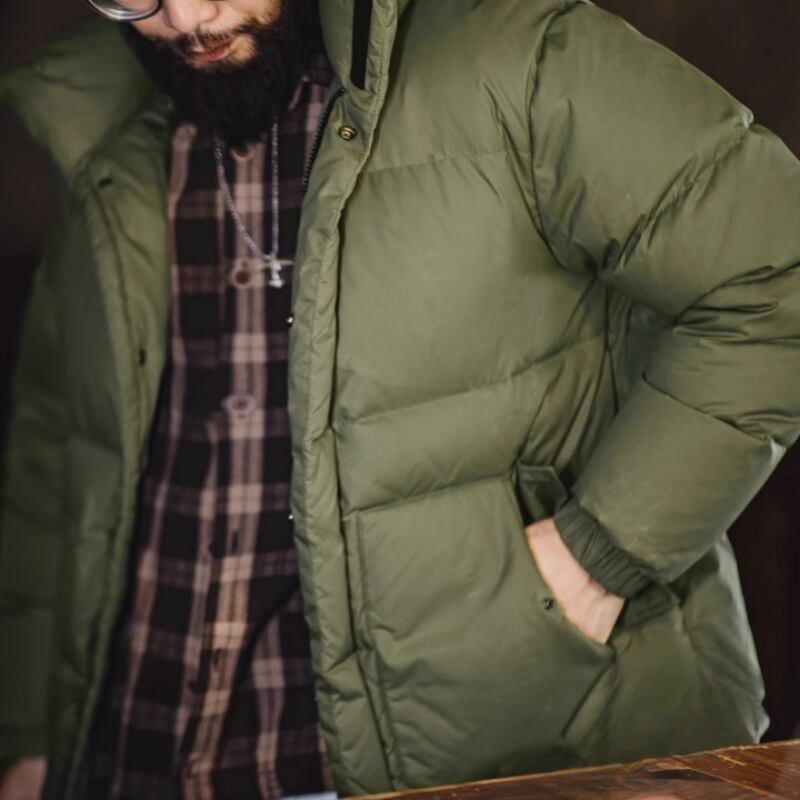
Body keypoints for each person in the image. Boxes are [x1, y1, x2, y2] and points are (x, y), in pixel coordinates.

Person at [1, 0, 799, 798]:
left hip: (493, 748)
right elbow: (58, 441)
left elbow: (778, 270)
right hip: (122, 761)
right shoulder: (100, 122)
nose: (187, 17)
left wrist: (597, 555)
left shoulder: (518, 53)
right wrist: (29, 739)